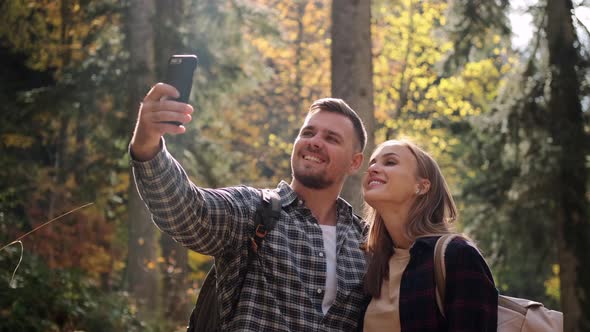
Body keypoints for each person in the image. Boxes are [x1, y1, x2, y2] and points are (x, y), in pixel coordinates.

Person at [129, 82, 369, 331]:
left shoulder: (366, 243)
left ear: (355, 162)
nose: (315, 142)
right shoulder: (254, 210)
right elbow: (187, 211)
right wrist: (147, 142)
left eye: (331, 138)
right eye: (308, 133)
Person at [361, 139, 497, 331]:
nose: (373, 168)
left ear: (422, 186)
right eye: (372, 163)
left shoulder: (458, 256)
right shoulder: (369, 261)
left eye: (390, 162)